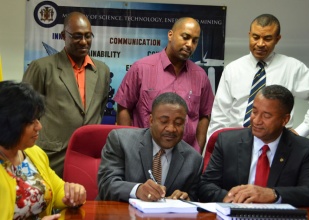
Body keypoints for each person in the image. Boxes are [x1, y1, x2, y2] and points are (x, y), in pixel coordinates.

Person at [198, 85, 309, 207]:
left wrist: (273, 194)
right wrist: (231, 197)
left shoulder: (303, 149)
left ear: (285, 120)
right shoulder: (227, 142)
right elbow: (205, 185)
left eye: (266, 116)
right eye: (254, 112)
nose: (256, 120)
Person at [206, 13, 309, 144]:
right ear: (249, 35)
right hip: (236, 144)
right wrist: (214, 148)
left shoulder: (292, 68)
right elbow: (219, 115)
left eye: (267, 38)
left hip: (278, 145)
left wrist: (302, 130)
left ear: (277, 39)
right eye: (255, 37)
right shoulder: (232, 69)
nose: (260, 44)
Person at [22, 11, 110, 177]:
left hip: (88, 157)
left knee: (85, 202)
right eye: (77, 36)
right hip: (51, 155)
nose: (83, 42)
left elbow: (99, 109)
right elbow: (25, 113)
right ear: (64, 36)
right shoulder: (42, 67)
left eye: (88, 36)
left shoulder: (102, 70)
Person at [113, 17, 214, 153]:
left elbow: (204, 115)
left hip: (184, 159)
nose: (189, 44)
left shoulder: (200, 76)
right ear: (170, 35)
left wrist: (196, 152)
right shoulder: (141, 68)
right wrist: (129, 149)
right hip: (143, 153)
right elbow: (124, 107)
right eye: (185, 37)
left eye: (195, 41)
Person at [0, 81, 87, 220]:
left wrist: (74, 193)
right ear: (8, 123)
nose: (39, 126)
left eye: (38, 119)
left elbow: (57, 190)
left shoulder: (35, 153)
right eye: (31, 122)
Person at [97, 92, 203, 202]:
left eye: (178, 123)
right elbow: (106, 185)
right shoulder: (121, 141)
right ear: (151, 120)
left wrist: (185, 199)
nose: (171, 129)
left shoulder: (194, 160)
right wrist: (137, 190)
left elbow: (194, 200)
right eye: (164, 121)